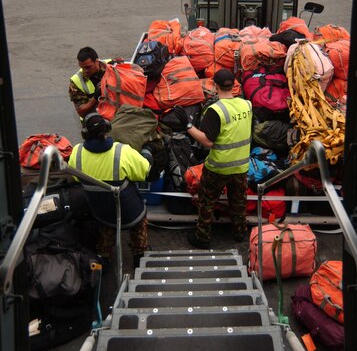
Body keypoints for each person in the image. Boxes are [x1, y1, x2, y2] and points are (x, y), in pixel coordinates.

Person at [174, 69, 252, 249]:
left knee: (207, 201)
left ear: (215, 86)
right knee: (239, 202)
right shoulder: (247, 105)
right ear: (234, 85)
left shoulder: (215, 110)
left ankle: (203, 236)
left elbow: (207, 142)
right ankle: (240, 233)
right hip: (241, 166)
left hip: (218, 167)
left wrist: (187, 125)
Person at [68, 112, 153, 268]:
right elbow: (145, 171)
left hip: (100, 212)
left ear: (85, 134)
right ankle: (139, 253)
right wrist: (147, 152)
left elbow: (76, 179)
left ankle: (104, 256)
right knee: (139, 223)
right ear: (107, 129)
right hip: (129, 212)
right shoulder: (122, 152)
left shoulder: (77, 153)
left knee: (106, 227)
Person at [69, 46, 108, 119]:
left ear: (97, 61)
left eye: (88, 67)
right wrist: (96, 98)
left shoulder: (111, 66)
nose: (85, 71)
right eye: (82, 67)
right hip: (95, 120)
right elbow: (81, 112)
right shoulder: (76, 82)